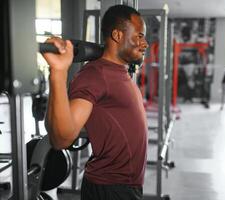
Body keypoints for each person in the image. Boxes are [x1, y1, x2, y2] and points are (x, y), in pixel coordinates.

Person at [42, 5, 149, 200]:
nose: (145, 43)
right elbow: (61, 139)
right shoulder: (96, 75)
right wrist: (58, 72)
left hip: (125, 186)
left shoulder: (119, 71)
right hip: (110, 189)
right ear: (117, 35)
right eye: (139, 36)